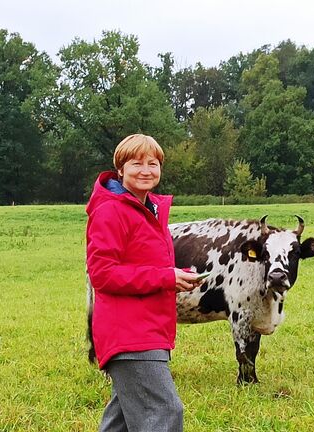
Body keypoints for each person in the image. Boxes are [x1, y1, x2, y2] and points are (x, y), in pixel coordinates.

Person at [86, 134, 201, 431]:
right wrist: (166, 277)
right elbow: (102, 273)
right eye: (136, 163)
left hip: (148, 326)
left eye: (153, 163)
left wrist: (177, 274)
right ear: (120, 169)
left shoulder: (149, 209)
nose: (146, 170)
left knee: (120, 422)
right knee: (163, 413)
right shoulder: (111, 210)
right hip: (130, 333)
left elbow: (142, 264)